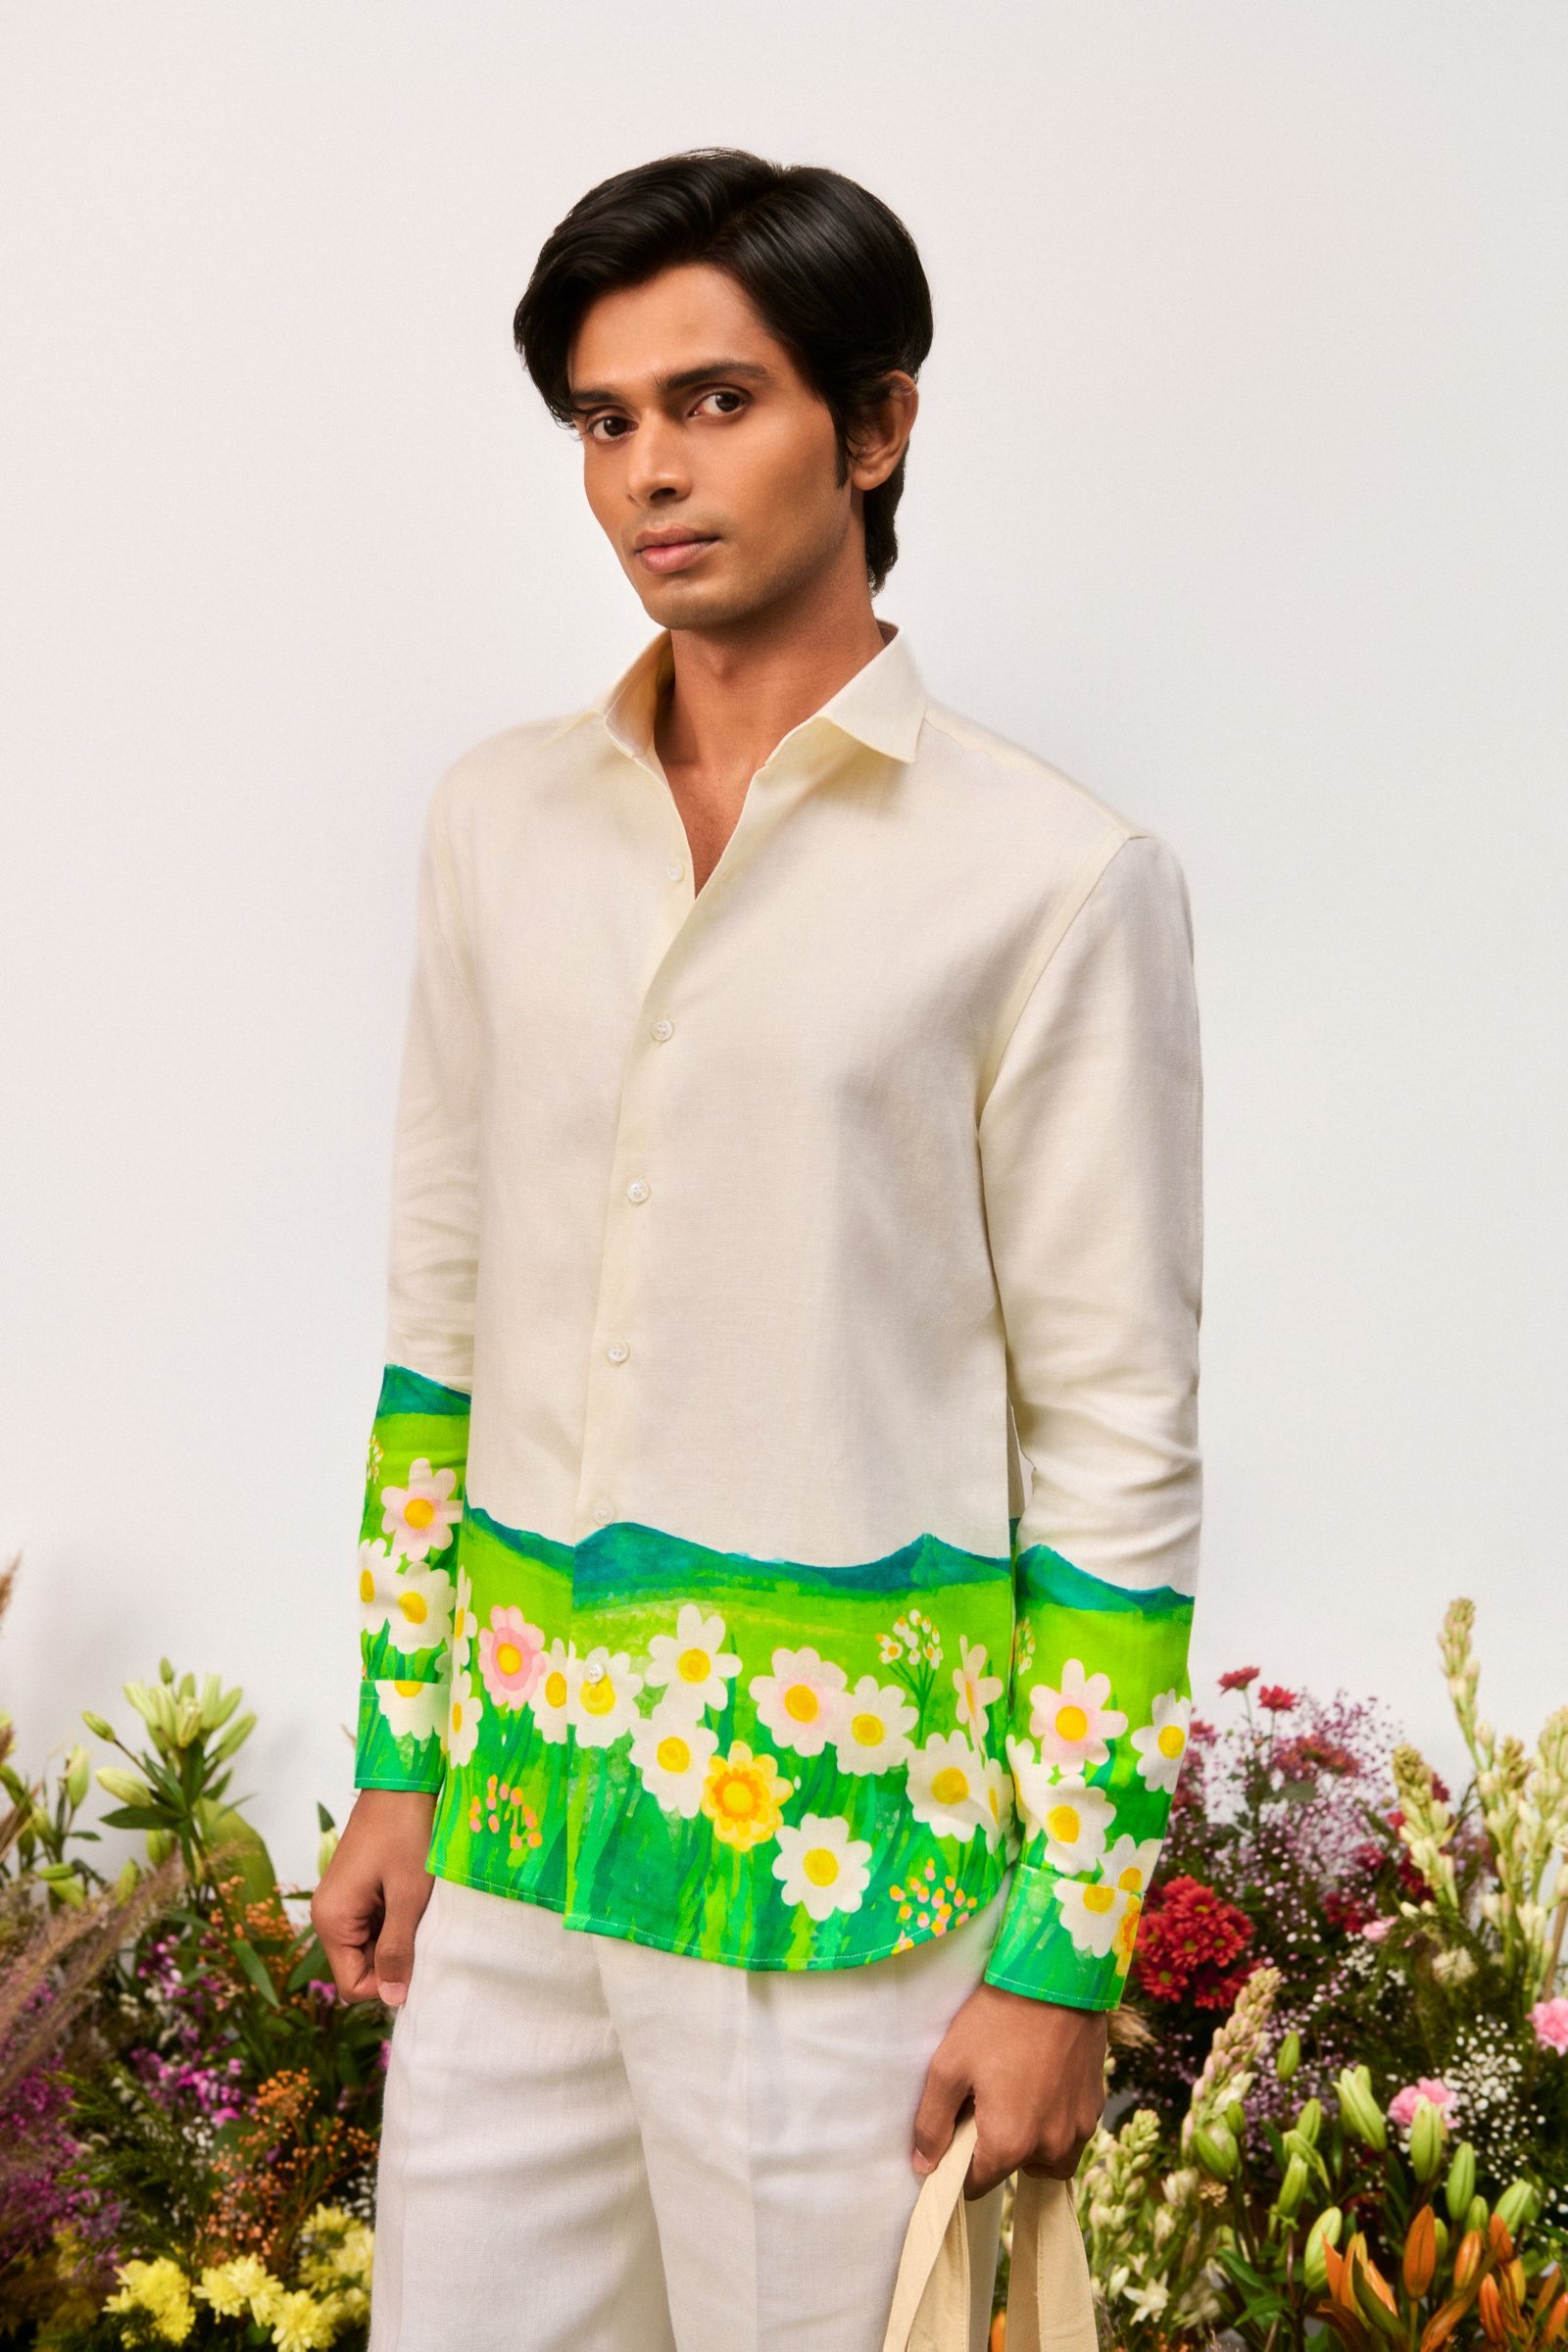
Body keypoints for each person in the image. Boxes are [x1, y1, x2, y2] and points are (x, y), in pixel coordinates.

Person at [312, 145, 1204, 2352]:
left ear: (875, 425)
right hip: (516, 1832)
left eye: (715, 402)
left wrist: (1061, 1949)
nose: (648, 471)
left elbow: (1115, 1437)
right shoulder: (499, 820)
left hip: (846, 1873)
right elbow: (440, 1318)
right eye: (604, 419)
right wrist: (401, 1750)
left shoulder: (1050, 878)